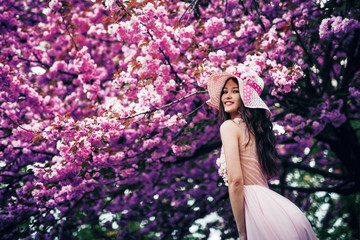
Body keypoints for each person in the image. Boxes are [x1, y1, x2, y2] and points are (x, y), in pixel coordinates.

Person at [206, 69, 318, 240]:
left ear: (246, 96)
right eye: (225, 92)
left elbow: (236, 181)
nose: (227, 96)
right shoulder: (256, 132)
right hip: (279, 210)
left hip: (256, 210)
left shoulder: (228, 127)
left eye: (235, 91)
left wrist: (242, 232)